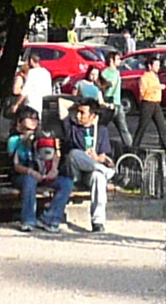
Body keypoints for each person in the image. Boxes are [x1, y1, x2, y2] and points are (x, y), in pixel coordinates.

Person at [7, 104, 74, 234]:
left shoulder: (44, 136)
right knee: (29, 181)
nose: (34, 121)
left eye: (36, 118)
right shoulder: (14, 140)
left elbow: (55, 154)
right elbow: (15, 165)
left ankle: (50, 218)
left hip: (44, 173)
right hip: (24, 175)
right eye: (30, 118)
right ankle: (28, 220)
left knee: (66, 183)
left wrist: (53, 170)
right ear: (20, 121)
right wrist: (32, 172)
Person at [65, 95, 116, 233]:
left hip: (90, 173)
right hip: (75, 172)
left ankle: (98, 222)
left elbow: (104, 156)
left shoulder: (101, 131)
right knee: (74, 153)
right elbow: (62, 105)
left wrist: (98, 158)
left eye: (83, 113)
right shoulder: (72, 127)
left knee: (98, 177)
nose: (79, 115)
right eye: (78, 112)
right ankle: (108, 173)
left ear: (93, 115)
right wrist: (76, 105)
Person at [129, 55, 166, 162]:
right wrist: (157, 87)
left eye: (158, 65)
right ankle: (133, 152)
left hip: (156, 104)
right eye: (156, 65)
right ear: (150, 66)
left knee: (163, 128)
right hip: (147, 103)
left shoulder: (155, 77)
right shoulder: (144, 77)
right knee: (142, 128)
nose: (158, 67)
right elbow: (143, 92)